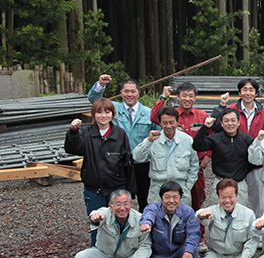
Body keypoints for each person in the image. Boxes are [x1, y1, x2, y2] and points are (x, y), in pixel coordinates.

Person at [65, 98, 135, 246]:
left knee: (120, 221)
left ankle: (120, 253)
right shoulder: (86, 133)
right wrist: (73, 132)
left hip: (116, 187)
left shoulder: (120, 134)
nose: (103, 116)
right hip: (94, 189)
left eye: (107, 112)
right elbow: (72, 148)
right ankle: (97, 254)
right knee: (96, 223)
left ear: (113, 114)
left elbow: (127, 163)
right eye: (99, 112)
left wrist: (129, 190)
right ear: (93, 115)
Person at [88, 74, 158, 211]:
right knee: (121, 200)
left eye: (133, 91)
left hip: (141, 163)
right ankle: (122, 228)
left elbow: (158, 135)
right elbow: (94, 100)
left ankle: (145, 228)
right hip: (118, 164)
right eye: (126, 91)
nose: (129, 94)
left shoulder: (148, 113)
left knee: (145, 199)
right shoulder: (113, 109)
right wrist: (101, 84)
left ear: (139, 92)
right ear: (121, 92)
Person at [150, 82, 210, 212]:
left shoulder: (202, 116)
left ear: (195, 98)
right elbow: (154, 117)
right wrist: (163, 98)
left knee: (197, 199)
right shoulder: (171, 115)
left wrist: (208, 155)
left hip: (196, 166)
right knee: (172, 202)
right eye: (184, 95)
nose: (187, 99)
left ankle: (197, 230)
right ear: (177, 97)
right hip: (174, 167)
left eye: (190, 96)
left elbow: (212, 135)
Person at [74, 190, 151, 258]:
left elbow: (145, 244)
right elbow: (97, 214)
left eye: (126, 204)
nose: (122, 208)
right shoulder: (105, 214)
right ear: (111, 206)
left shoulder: (140, 219)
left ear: (131, 204)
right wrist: (94, 217)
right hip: (104, 255)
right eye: (118, 204)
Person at [213, 78, 264, 215]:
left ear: (256, 93)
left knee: (258, 200)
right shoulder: (230, 110)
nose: (248, 93)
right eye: (245, 89)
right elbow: (215, 126)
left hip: (256, 163)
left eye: (251, 90)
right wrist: (221, 105)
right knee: (232, 199)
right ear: (239, 92)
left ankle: (257, 230)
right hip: (235, 162)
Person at [195, 179, 258, 258]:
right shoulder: (213, 211)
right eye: (223, 197)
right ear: (218, 197)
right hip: (217, 254)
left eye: (231, 196)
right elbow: (200, 216)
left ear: (236, 196)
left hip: (237, 255)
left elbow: (252, 239)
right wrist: (201, 215)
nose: (227, 201)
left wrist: (245, 257)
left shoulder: (248, 214)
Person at [140, 181, 201, 258]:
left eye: (175, 197)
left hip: (179, 250)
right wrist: (146, 223)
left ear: (180, 198)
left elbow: (194, 233)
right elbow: (148, 216)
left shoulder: (187, 211)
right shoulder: (153, 209)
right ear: (161, 198)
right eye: (167, 197)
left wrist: (188, 251)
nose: (171, 201)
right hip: (160, 253)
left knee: (193, 249)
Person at [133, 106, 199, 206]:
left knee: (181, 220)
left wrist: (187, 186)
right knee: (157, 220)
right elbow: (137, 157)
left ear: (177, 122)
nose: (168, 126)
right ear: (160, 123)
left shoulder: (187, 140)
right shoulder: (153, 140)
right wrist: (148, 142)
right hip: (158, 191)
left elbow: (194, 165)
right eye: (165, 123)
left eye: (172, 122)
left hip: (180, 190)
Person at [192, 109, 255, 203]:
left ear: (238, 123)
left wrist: (242, 172)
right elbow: (198, 145)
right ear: (221, 123)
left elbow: (253, 161)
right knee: (218, 214)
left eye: (233, 120)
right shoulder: (215, 139)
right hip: (220, 181)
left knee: (241, 214)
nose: (230, 124)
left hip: (239, 184)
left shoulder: (247, 140)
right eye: (226, 121)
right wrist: (205, 127)